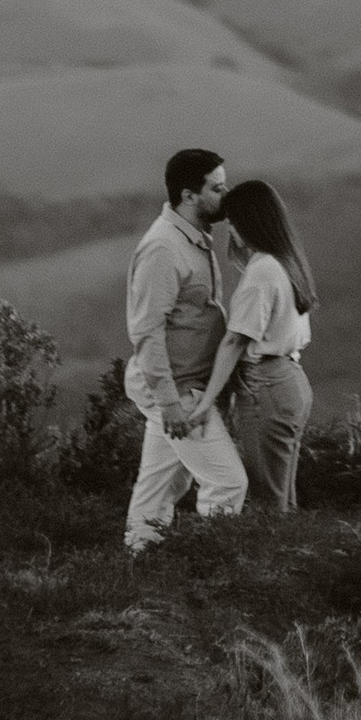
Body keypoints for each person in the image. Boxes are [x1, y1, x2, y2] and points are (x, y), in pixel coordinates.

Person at [122, 145, 248, 554]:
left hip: (184, 383)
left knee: (161, 484)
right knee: (228, 481)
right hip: (175, 388)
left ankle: (137, 563)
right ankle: (211, 563)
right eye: (217, 188)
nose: (225, 197)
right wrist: (169, 402)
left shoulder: (196, 240)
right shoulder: (163, 248)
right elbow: (146, 330)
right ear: (188, 195)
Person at [194, 177, 316, 513]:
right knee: (281, 496)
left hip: (266, 385)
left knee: (266, 498)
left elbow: (235, 341)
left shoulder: (262, 271)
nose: (230, 230)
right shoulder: (286, 262)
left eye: (232, 222)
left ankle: (272, 563)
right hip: (290, 379)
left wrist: (206, 402)